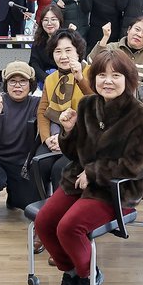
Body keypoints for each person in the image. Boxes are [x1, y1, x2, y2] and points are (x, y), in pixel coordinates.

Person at [35, 49, 143, 285]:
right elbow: (74, 153)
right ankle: (71, 272)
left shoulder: (139, 115)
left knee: (69, 227)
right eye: (101, 75)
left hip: (115, 189)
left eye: (116, 75)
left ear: (128, 79)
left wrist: (94, 172)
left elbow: (135, 165)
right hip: (78, 179)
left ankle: (89, 275)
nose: (108, 81)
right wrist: (68, 131)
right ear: (94, 77)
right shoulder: (87, 105)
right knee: (44, 222)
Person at [0, 61, 42, 218]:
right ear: (6, 84)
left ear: (30, 84)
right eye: (12, 81)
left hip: (20, 161)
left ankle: (13, 194)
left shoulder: (36, 103)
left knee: (26, 204)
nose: (17, 86)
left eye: (23, 81)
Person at [35, 30, 92, 188]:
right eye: (58, 51)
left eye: (68, 50)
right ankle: (42, 202)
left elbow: (96, 104)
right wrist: (47, 138)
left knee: (60, 169)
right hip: (56, 134)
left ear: (78, 52)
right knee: (39, 164)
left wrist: (80, 78)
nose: (63, 56)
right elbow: (42, 111)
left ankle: (64, 203)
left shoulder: (90, 73)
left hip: (83, 137)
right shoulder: (51, 79)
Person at [89, 17, 143, 87]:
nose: (139, 35)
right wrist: (105, 37)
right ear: (129, 30)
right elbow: (91, 63)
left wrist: (124, 88)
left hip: (138, 94)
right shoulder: (112, 48)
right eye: (137, 29)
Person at [29, 7, 71, 85]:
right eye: (45, 20)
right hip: (43, 81)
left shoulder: (68, 39)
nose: (49, 23)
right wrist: (47, 79)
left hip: (65, 80)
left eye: (53, 19)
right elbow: (34, 64)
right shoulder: (38, 41)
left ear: (59, 20)